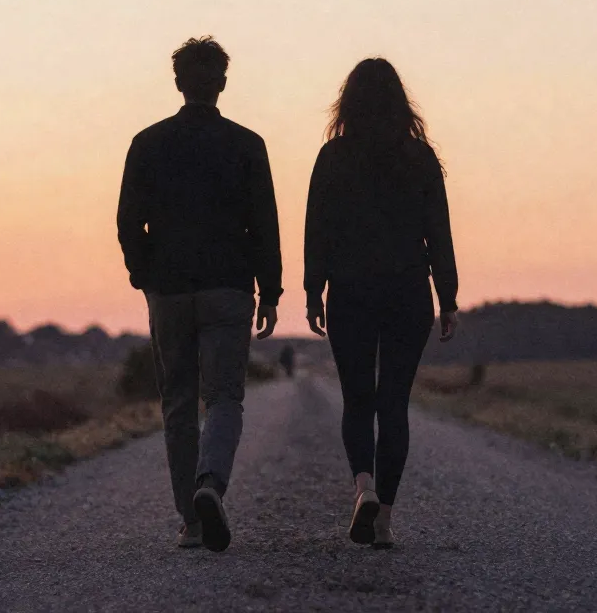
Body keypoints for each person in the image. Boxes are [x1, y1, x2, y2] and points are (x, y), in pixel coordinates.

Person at [117, 36, 282, 552]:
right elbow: (265, 225)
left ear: (178, 82)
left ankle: (190, 522)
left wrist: (144, 275)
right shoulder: (247, 145)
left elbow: (127, 221)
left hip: (168, 290)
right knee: (225, 396)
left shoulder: (148, 143)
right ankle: (210, 482)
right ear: (223, 84)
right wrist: (270, 290)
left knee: (179, 402)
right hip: (229, 288)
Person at [304, 57, 458, 549]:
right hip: (408, 290)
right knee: (394, 403)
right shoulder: (420, 158)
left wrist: (313, 290)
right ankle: (385, 519)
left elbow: (317, 230)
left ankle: (364, 487)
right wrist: (448, 297)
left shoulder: (333, 157)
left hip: (350, 290)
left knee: (357, 399)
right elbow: (439, 231)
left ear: (347, 102)